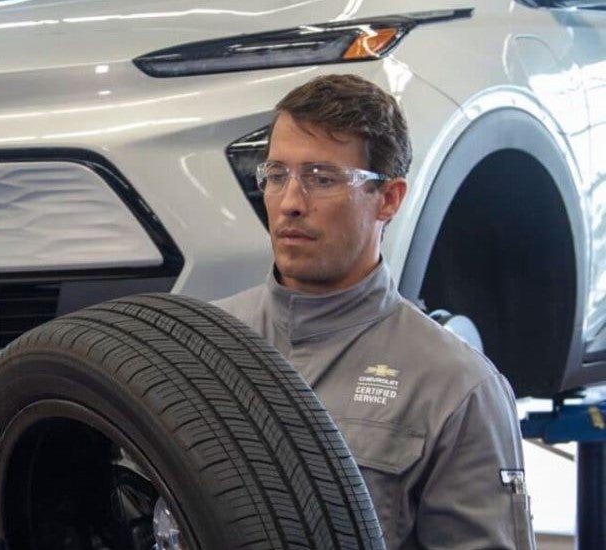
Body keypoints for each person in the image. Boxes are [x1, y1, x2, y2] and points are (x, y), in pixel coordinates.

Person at [214, 74, 535, 549]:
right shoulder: (202, 343)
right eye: (277, 175)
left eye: (322, 179)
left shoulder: (456, 388)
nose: (290, 203)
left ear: (388, 199)